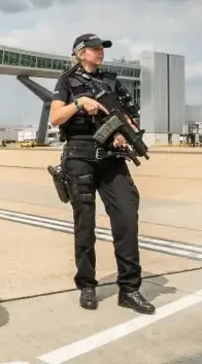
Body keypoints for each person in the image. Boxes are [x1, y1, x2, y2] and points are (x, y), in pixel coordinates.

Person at [49, 33, 155, 315]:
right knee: (85, 225)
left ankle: (129, 289)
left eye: (102, 49)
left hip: (111, 158)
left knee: (127, 219)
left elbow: (126, 115)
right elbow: (56, 117)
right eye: (95, 49)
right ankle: (87, 285)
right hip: (79, 156)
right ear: (80, 53)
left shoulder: (110, 81)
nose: (101, 52)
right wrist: (80, 102)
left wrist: (123, 133)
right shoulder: (67, 81)